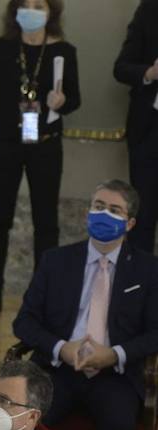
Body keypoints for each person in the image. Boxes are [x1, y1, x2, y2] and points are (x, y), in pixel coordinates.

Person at [12, 180, 158, 430]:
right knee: (30, 419)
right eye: (98, 206)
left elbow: (155, 332)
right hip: (59, 369)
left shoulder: (147, 269)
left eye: (114, 210)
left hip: (114, 373)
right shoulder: (56, 260)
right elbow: (25, 322)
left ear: (130, 223)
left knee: (121, 424)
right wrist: (61, 347)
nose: (103, 214)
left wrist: (117, 353)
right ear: (87, 212)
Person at [0, 0, 81, 319]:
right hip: (5, 144)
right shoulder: (2, 47)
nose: (32, 10)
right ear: (15, 11)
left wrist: (61, 102)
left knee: (45, 223)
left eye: (39, 5)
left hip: (46, 145)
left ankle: (41, 297)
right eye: (26, 4)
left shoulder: (65, 51)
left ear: (51, 12)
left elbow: (75, 99)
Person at [115, 0, 158, 256]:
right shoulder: (150, 9)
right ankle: (139, 291)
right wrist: (150, 73)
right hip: (149, 132)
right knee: (142, 220)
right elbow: (121, 67)